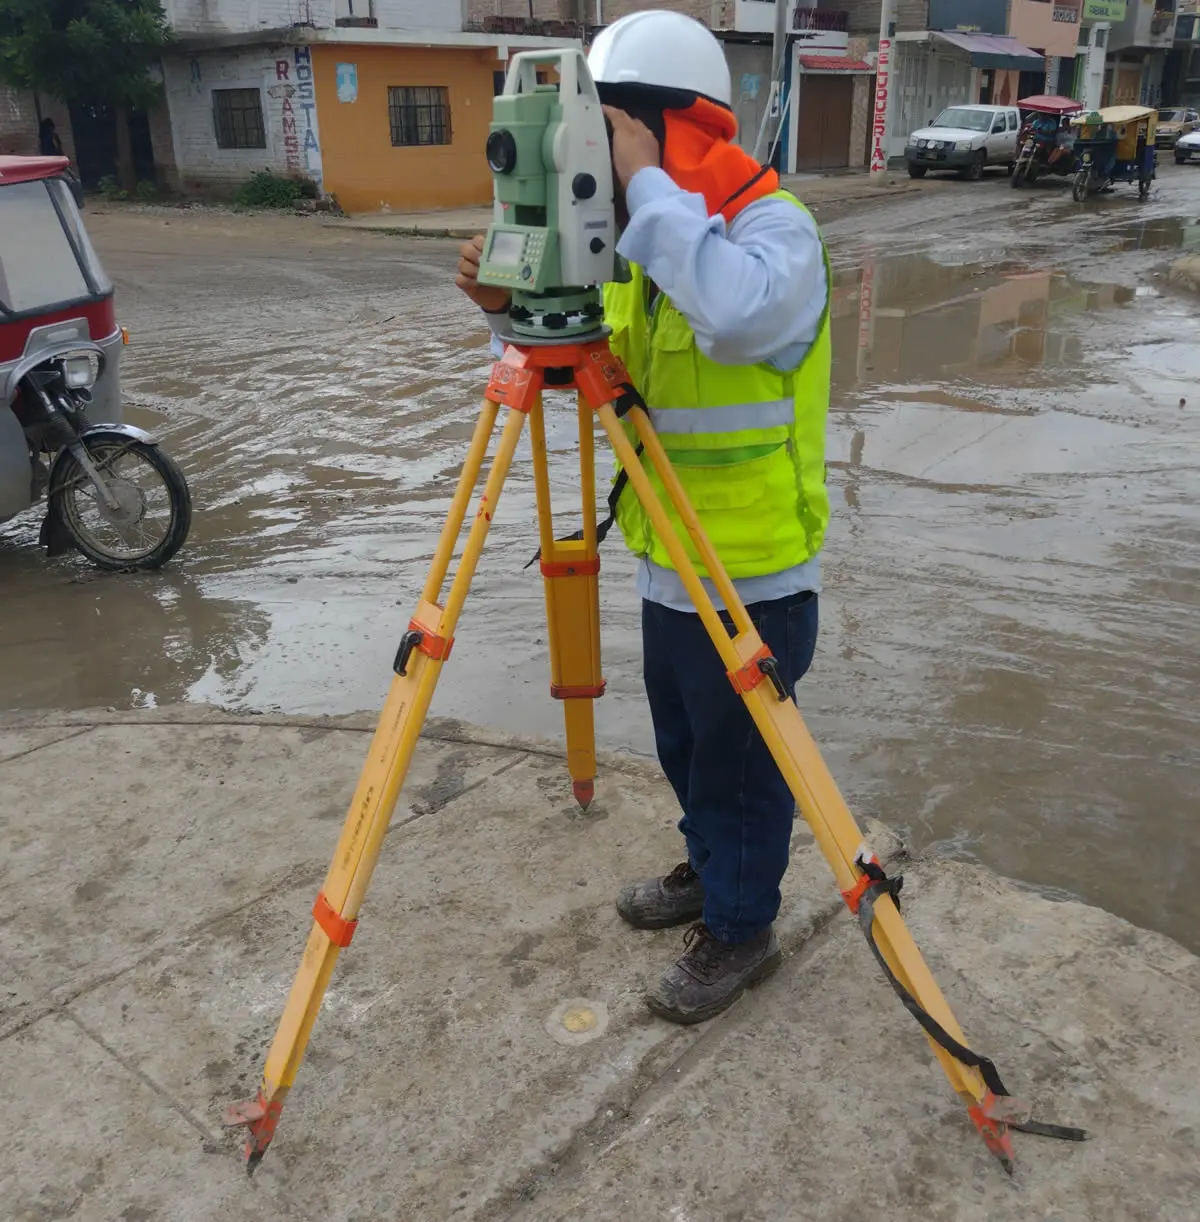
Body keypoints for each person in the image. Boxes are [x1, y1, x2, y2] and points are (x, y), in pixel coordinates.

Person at [455, 9, 830, 1025]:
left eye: (605, 129)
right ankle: (714, 874)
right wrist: (506, 306)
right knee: (688, 748)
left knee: (746, 766)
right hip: (671, 562)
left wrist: (646, 182)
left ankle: (745, 925)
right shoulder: (650, 248)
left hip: (754, 573)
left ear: (663, 128)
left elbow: (740, 312)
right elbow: (598, 374)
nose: (593, 153)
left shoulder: (771, 229)